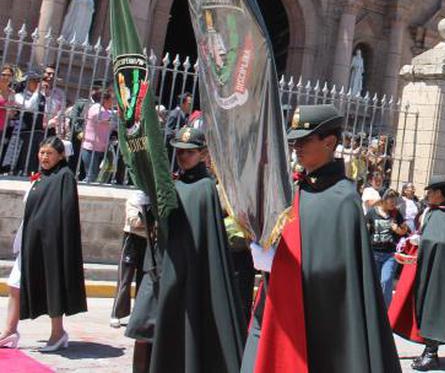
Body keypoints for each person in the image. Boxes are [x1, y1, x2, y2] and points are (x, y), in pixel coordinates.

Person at [242, 104, 399, 373]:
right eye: (294, 142)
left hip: (321, 316)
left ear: (329, 142)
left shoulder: (343, 199)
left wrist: (283, 264)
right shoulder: (293, 188)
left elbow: (337, 273)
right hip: (277, 303)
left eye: (304, 140)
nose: (296, 147)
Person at [150, 127, 243, 373]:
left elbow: (207, 236)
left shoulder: (205, 188)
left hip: (197, 269)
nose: (182, 156)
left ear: (203, 154)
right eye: (179, 152)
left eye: (189, 152)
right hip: (174, 266)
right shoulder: (176, 185)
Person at [10, 137, 86, 351]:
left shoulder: (64, 177)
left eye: (49, 153)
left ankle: (57, 333)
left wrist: (56, 238)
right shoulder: (43, 177)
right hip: (35, 242)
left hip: (53, 243)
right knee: (23, 285)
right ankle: (11, 330)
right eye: (42, 152)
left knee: (55, 287)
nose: (44, 157)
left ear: (61, 155)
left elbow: (65, 212)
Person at [389, 174, 445, 371]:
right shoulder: (431, 212)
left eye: (431, 192)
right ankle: (428, 350)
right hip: (427, 268)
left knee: (436, 310)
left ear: (440, 193)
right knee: (423, 306)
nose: (428, 196)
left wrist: (423, 242)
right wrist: (419, 240)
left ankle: (432, 352)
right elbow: (430, 236)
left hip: (443, 274)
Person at [110, 190, 149, 328]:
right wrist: (146, 217)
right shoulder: (135, 197)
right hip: (132, 240)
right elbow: (133, 221)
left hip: (148, 241)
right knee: (125, 279)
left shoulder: (155, 197)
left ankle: (138, 314)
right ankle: (116, 314)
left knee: (143, 280)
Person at [366, 188, 409, 305]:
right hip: (373, 254)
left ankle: (385, 313)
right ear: (383, 199)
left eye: (395, 199)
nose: (393, 202)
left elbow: (405, 230)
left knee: (386, 281)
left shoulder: (396, 213)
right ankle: (373, 310)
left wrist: (397, 229)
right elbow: (365, 232)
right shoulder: (372, 213)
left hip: (389, 255)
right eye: (391, 199)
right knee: (373, 284)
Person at [79, 90, 116, 183]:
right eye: (111, 100)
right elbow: (101, 116)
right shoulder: (96, 108)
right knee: (91, 176)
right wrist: (118, 114)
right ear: (105, 100)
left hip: (102, 149)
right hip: (90, 148)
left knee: (99, 176)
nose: (113, 102)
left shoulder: (107, 110)